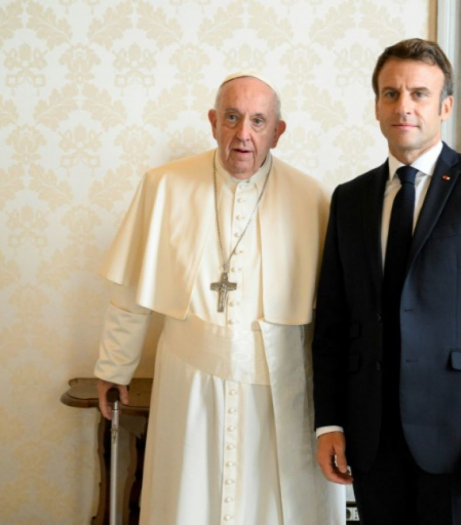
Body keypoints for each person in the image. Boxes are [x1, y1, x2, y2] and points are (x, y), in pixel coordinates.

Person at [94, 72, 345, 524]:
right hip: (190, 383)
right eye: (231, 118)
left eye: (257, 121)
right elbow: (132, 290)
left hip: (279, 388)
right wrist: (114, 366)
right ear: (213, 122)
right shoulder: (165, 186)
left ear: (278, 132)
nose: (242, 134)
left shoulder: (312, 198)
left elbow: (336, 320)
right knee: (188, 502)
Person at [312, 38, 461, 525]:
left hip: (459, 436)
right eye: (391, 94)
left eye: (419, 93)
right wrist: (329, 421)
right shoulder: (349, 199)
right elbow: (331, 321)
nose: (404, 106)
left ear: (445, 106)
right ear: (376, 105)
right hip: (370, 436)